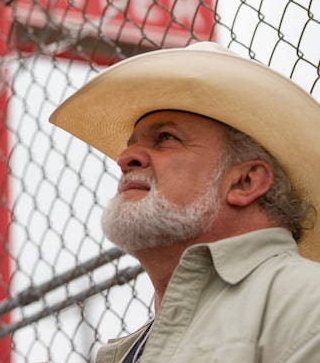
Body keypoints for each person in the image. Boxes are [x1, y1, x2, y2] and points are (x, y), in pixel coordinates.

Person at [49, 41, 320, 362]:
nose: (125, 158)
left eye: (165, 138)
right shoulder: (126, 352)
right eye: (132, 144)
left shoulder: (307, 305)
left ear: (245, 182)